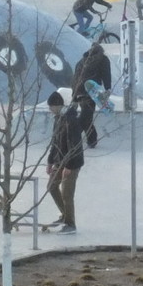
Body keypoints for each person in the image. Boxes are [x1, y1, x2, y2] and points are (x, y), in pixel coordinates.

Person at [46, 91, 86, 231]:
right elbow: (55, 142)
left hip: (72, 163)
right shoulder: (58, 119)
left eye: (51, 107)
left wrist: (68, 166)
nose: (50, 110)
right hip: (59, 160)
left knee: (67, 193)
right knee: (51, 186)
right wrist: (50, 161)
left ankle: (70, 223)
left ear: (57, 105)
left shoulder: (71, 120)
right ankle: (65, 214)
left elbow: (74, 145)